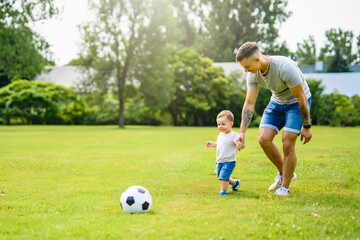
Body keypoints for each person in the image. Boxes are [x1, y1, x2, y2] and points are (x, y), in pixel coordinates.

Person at [235, 42, 312, 196]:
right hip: (277, 102)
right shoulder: (252, 74)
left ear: (257, 59)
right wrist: (242, 133)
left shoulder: (285, 67)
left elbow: (301, 98)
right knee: (263, 138)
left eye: (247, 66)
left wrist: (307, 126)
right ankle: (284, 173)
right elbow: (249, 103)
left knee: (287, 141)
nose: (245, 71)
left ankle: (285, 187)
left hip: (296, 103)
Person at [206, 110, 244, 195]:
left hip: (229, 161)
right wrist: (213, 144)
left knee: (223, 176)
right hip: (220, 160)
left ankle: (223, 191)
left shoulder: (234, 135)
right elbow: (220, 145)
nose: (220, 126)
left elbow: (240, 144)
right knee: (221, 176)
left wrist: (240, 145)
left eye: (223, 124)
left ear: (231, 124)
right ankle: (235, 183)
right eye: (219, 124)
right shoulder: (221, 135)